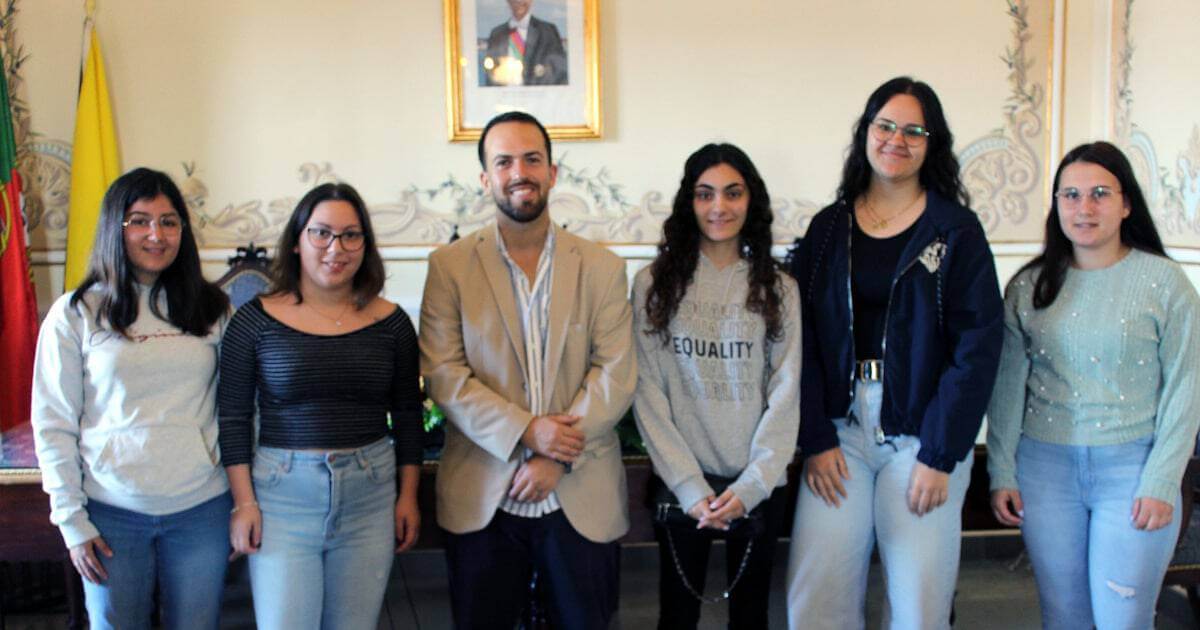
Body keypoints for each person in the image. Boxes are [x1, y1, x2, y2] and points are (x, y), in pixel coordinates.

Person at [784, 76, 1004, 630]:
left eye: (913, 131)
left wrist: (940, 454)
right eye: (885, 126)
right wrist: (816, 437)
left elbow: (977, 348)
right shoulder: (829, 229)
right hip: (841, 432)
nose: (896, 140)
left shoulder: (955, 231)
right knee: (816, 597)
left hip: (921, 432)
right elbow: (799, 340)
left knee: (918, 605)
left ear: (932, 144)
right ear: (866, 132)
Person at [419, 110, 635, 629]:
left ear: (552, 172)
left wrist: (556, 456)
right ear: (485, 178)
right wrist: (528, 432)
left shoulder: (603, 267)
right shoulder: (449, 267)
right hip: (483, 496)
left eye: (532, 159)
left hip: (581, 494)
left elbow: (615, 372)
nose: (520, 172)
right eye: (504, 162)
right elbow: (445, 374)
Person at [987, 141, 1200, 629]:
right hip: (1044, 472)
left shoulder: (1166, 283)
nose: (1084, 207)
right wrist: (1001, 470)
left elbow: (1186, 388)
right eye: (1071, 195)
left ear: (1126, 205)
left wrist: (1161, 478)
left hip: (1134, 470)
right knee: (1064, 617)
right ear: (1057, 205)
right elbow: (1006, 388)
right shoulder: (1029, 286)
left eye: (1100, 193)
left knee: (1122, 618)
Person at [31, 167, 232, 630]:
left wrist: (244, 501)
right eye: (139, 221)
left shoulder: (212, 308)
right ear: (114, 228)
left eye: (168, 221)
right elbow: (53, 423)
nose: (156, 235)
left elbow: (239, 410)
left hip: (201, 508)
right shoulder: (76, 313)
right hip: (109, 512)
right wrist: (71, 521)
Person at [218, 182, 423, 630]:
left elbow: (408, 415)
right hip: (281, 499)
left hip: (370, 497)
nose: (336, 248)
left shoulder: (393, 324)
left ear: (365, 244)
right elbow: (232, 417)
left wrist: (408, 496)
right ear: (296, 241)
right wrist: (243, 503)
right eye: (321, 233)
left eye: (351, 235)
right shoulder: (253, 321)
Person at [632, 143, 800, 629]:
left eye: (732, 193)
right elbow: (648, 391)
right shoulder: (652, 284)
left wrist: (752, 486)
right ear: (689, 201)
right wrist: (689, 487)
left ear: (751, 200)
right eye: (705, 194)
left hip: (757, 485)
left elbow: (786, 392)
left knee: (751, 618)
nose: (719, 207)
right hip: (682, 481)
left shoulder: (780, 289)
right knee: (676, 618)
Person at [481, 0, 568, 86]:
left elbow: (559, 73)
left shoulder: (548, 31)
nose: (519, 1)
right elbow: (490, 76)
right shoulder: (496, 33)